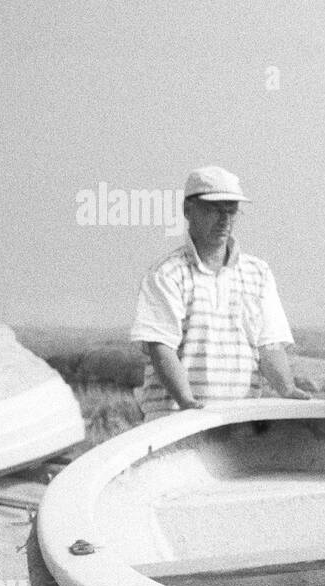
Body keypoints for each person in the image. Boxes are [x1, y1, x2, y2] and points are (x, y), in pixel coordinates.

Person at [129, 165, 310, 420]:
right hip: (172, 423)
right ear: (187, 210)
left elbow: (268, 345)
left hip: (237, 423)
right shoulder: (166, 274)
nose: (224, 219)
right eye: (213, 209)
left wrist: (287, 389)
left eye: (231, 210)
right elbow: (162, 348)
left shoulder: (259, 273)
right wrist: (188, 403)